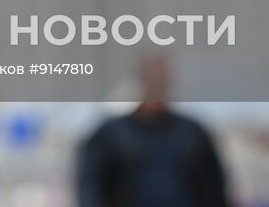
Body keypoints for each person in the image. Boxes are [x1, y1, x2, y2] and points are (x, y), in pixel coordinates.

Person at [76, 56, 230, 207]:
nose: (157, 84)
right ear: (141, 81)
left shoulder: (192, 134)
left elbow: (214, 189)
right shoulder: (111, 135)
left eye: (161, 79)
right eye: (152, 78)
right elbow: (91, 188)